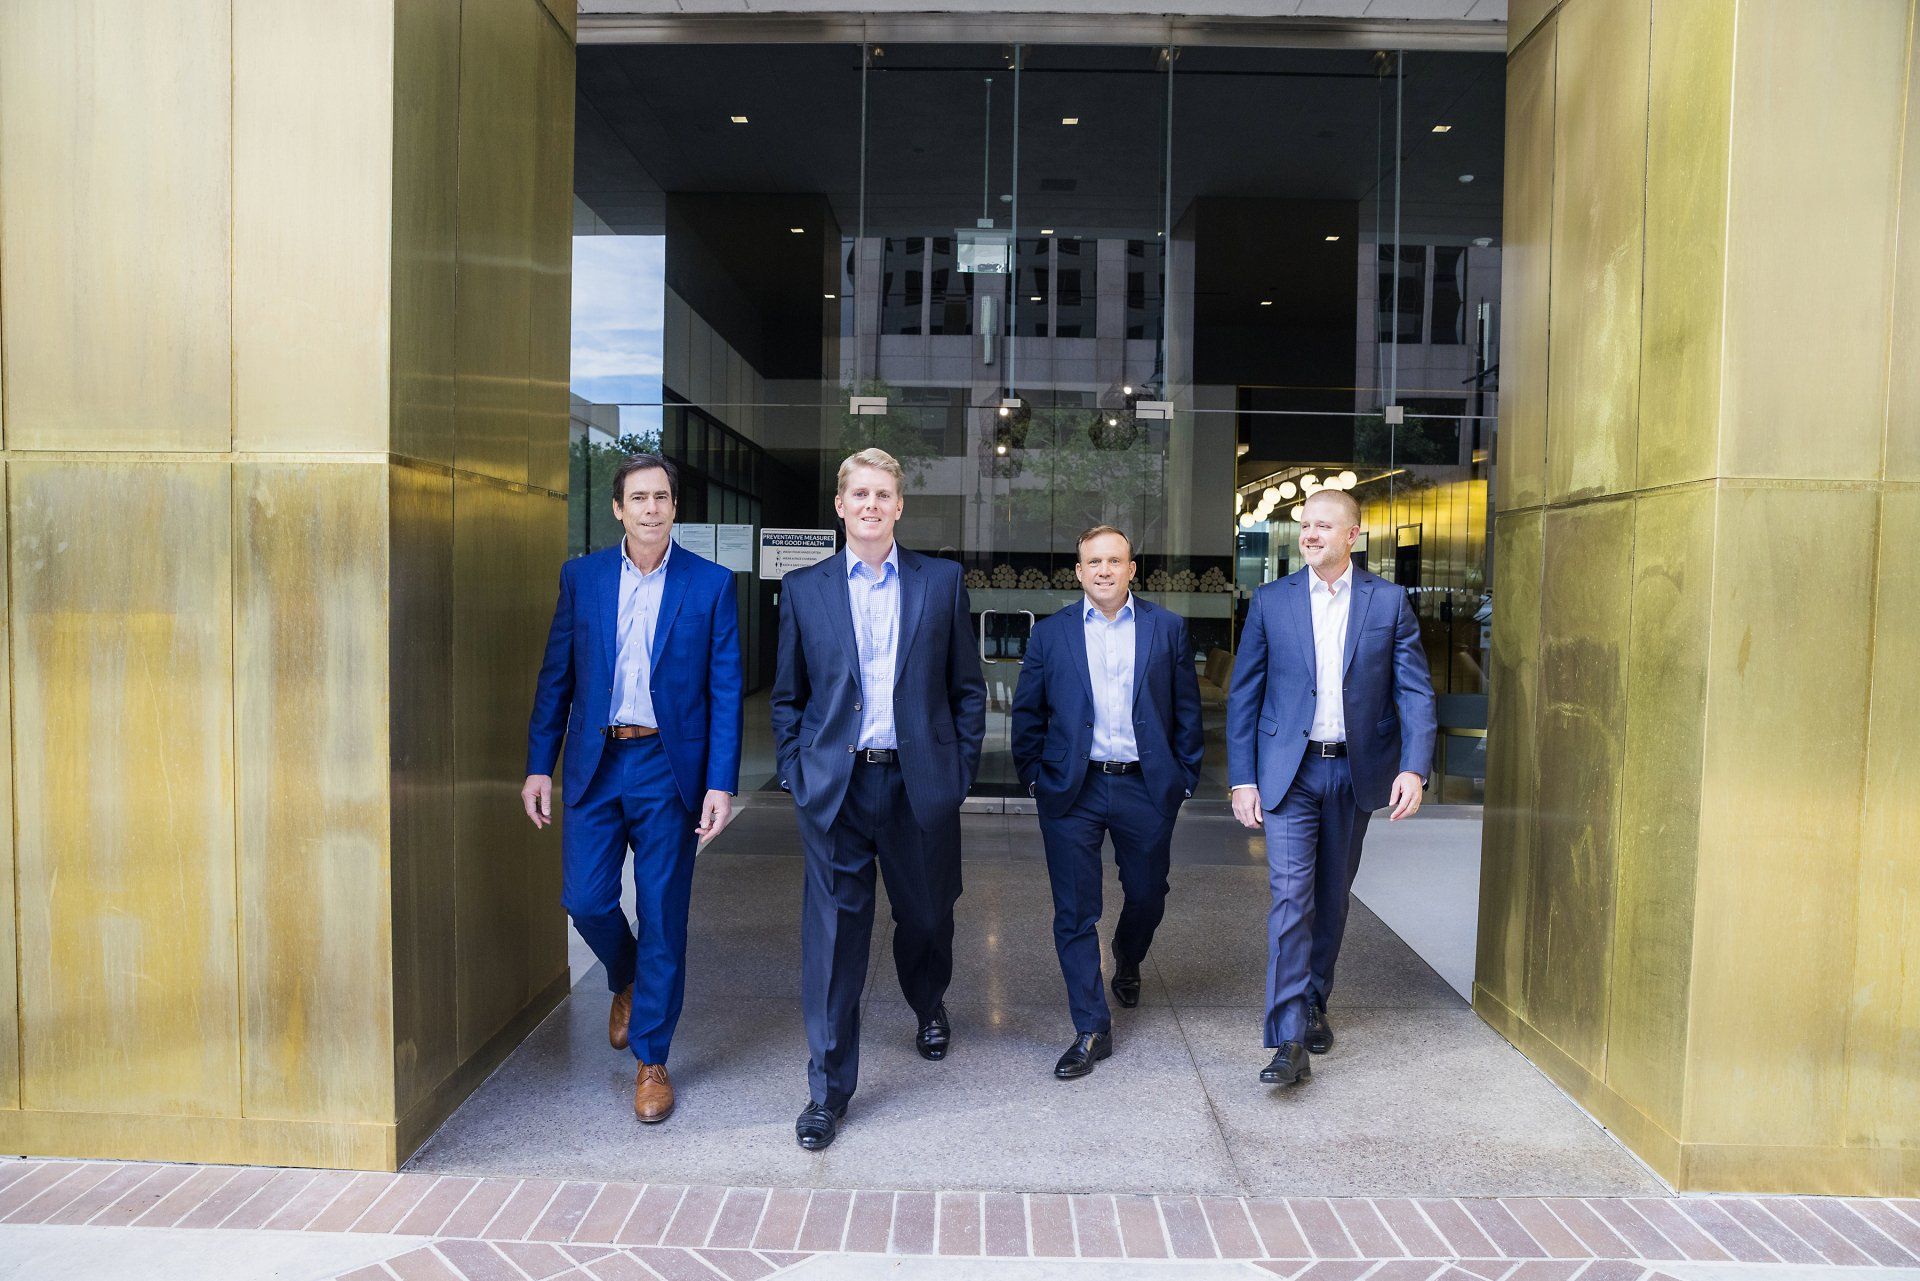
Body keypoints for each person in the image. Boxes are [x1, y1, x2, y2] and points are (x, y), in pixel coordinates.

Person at [770, 447, 986, 1150]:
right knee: (833, 940)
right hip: (835, 786)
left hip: (918, 783)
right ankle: (827, 1090)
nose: (870, 504)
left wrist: (957, 774)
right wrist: (799, 775)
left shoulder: (941, 582)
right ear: (840, 505)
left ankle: (929, 1001)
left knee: (926, 916)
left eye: (882, 493)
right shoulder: (805, 590)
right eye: (858, 492)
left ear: (899, 506)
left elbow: (967, 690)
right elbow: (788, 698)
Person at [521, 452, 743, 1124]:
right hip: (594, 761)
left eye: (662, 497)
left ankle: (651, 1058)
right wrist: (539, 763)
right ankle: (627, 977)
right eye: (638, 497)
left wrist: (721, 783)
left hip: (666, 766)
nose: (651, 507)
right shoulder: (582, 578)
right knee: (585, 897)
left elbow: (725, 689)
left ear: (676, 507)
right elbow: (555, 676)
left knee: (664, 911)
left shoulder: (709, 584)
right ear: (618, 507)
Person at [1225, 486, 1436, 1087]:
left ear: (1353, 536)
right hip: (1289, 773)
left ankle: (1316, 996)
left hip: (1354, 770)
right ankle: (1288, 1037)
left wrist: (1413, 766)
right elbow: (1245, 696)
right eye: (1305, 525)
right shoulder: (1270, 601)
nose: (1310, 535)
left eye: (1323, 526)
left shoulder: (1388, 602)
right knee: (1292, 898)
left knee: (1332, 895)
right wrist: (1243, 777)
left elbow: (1415, 690)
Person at [1011, 525, 1204, 1079]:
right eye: (1093, 561)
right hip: (1073, 789)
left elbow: (1187, 713)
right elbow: (1028, 714)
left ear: (1131, 568)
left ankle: (1128, 954)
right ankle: (1091, 1027)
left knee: (1147, 893)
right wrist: (1035, 779)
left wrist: (1183, 778)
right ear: (1078, 571)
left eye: (1114, 560)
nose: (1103, 570)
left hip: (1146, 786)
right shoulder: (1052, 635)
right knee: (1074, 910)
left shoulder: (1166, 629)